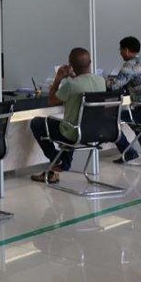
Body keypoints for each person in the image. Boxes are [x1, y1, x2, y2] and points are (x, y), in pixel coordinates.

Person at [30, 48, 105, 184]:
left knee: (37, 123)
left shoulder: (71, 85)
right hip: (94, 131)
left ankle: (56, 161)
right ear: (90, 62)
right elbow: (83, 85)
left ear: (71, 65)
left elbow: (51, 100)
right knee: (69, 124)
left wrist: (58, 78)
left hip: (74, 132)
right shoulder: (101, 81)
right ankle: (60, 166)